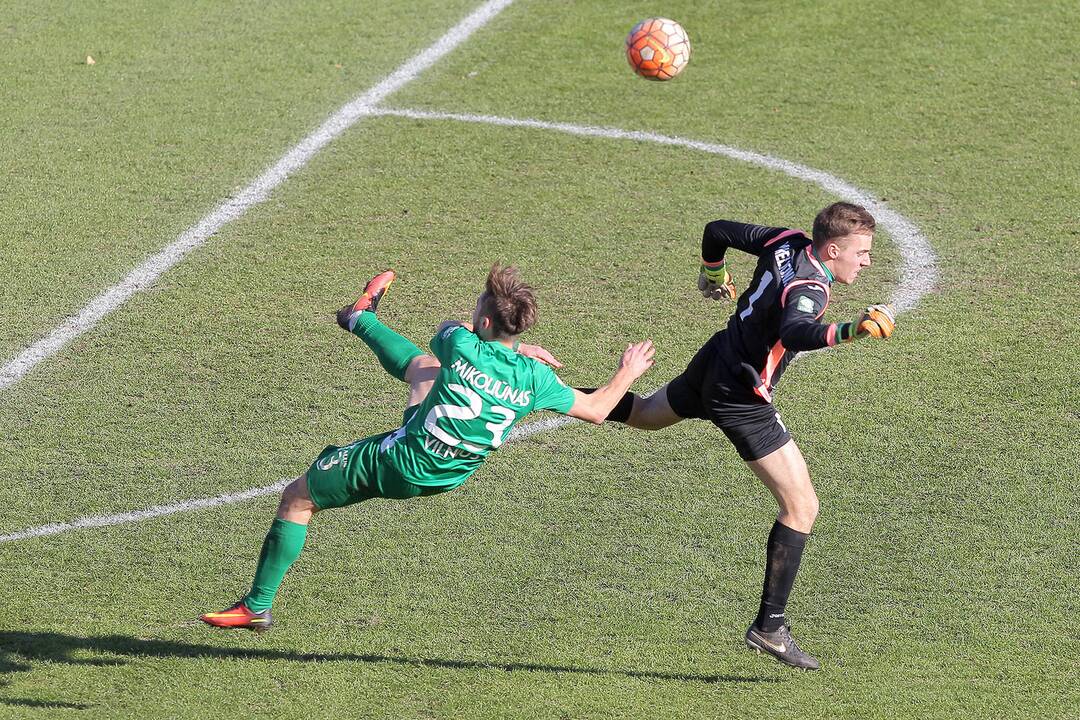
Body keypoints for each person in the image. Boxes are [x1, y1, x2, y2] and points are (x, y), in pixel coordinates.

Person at [201, 265, 655, 630]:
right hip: (451, 473)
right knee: (425, 371)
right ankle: (359, 317)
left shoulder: (461, 340)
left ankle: (256, 606)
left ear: (484, 321)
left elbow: (450, 329)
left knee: (298, 497)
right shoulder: (537, 380)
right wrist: (627, 371)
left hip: (402, 460)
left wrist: (496, 342)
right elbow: (598, 409)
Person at [581, 202, 896, 670]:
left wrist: (713, 273)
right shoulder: (809, 287)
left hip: (718, 356)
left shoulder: (785, 240)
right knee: (802, 506)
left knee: (646, 413)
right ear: (833, 249)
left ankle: (532, 388)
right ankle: (770, 627)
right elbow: (797, 331)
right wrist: (852, 330)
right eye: (862, 252)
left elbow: (717, 229)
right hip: (741, 395)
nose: (867, 261)